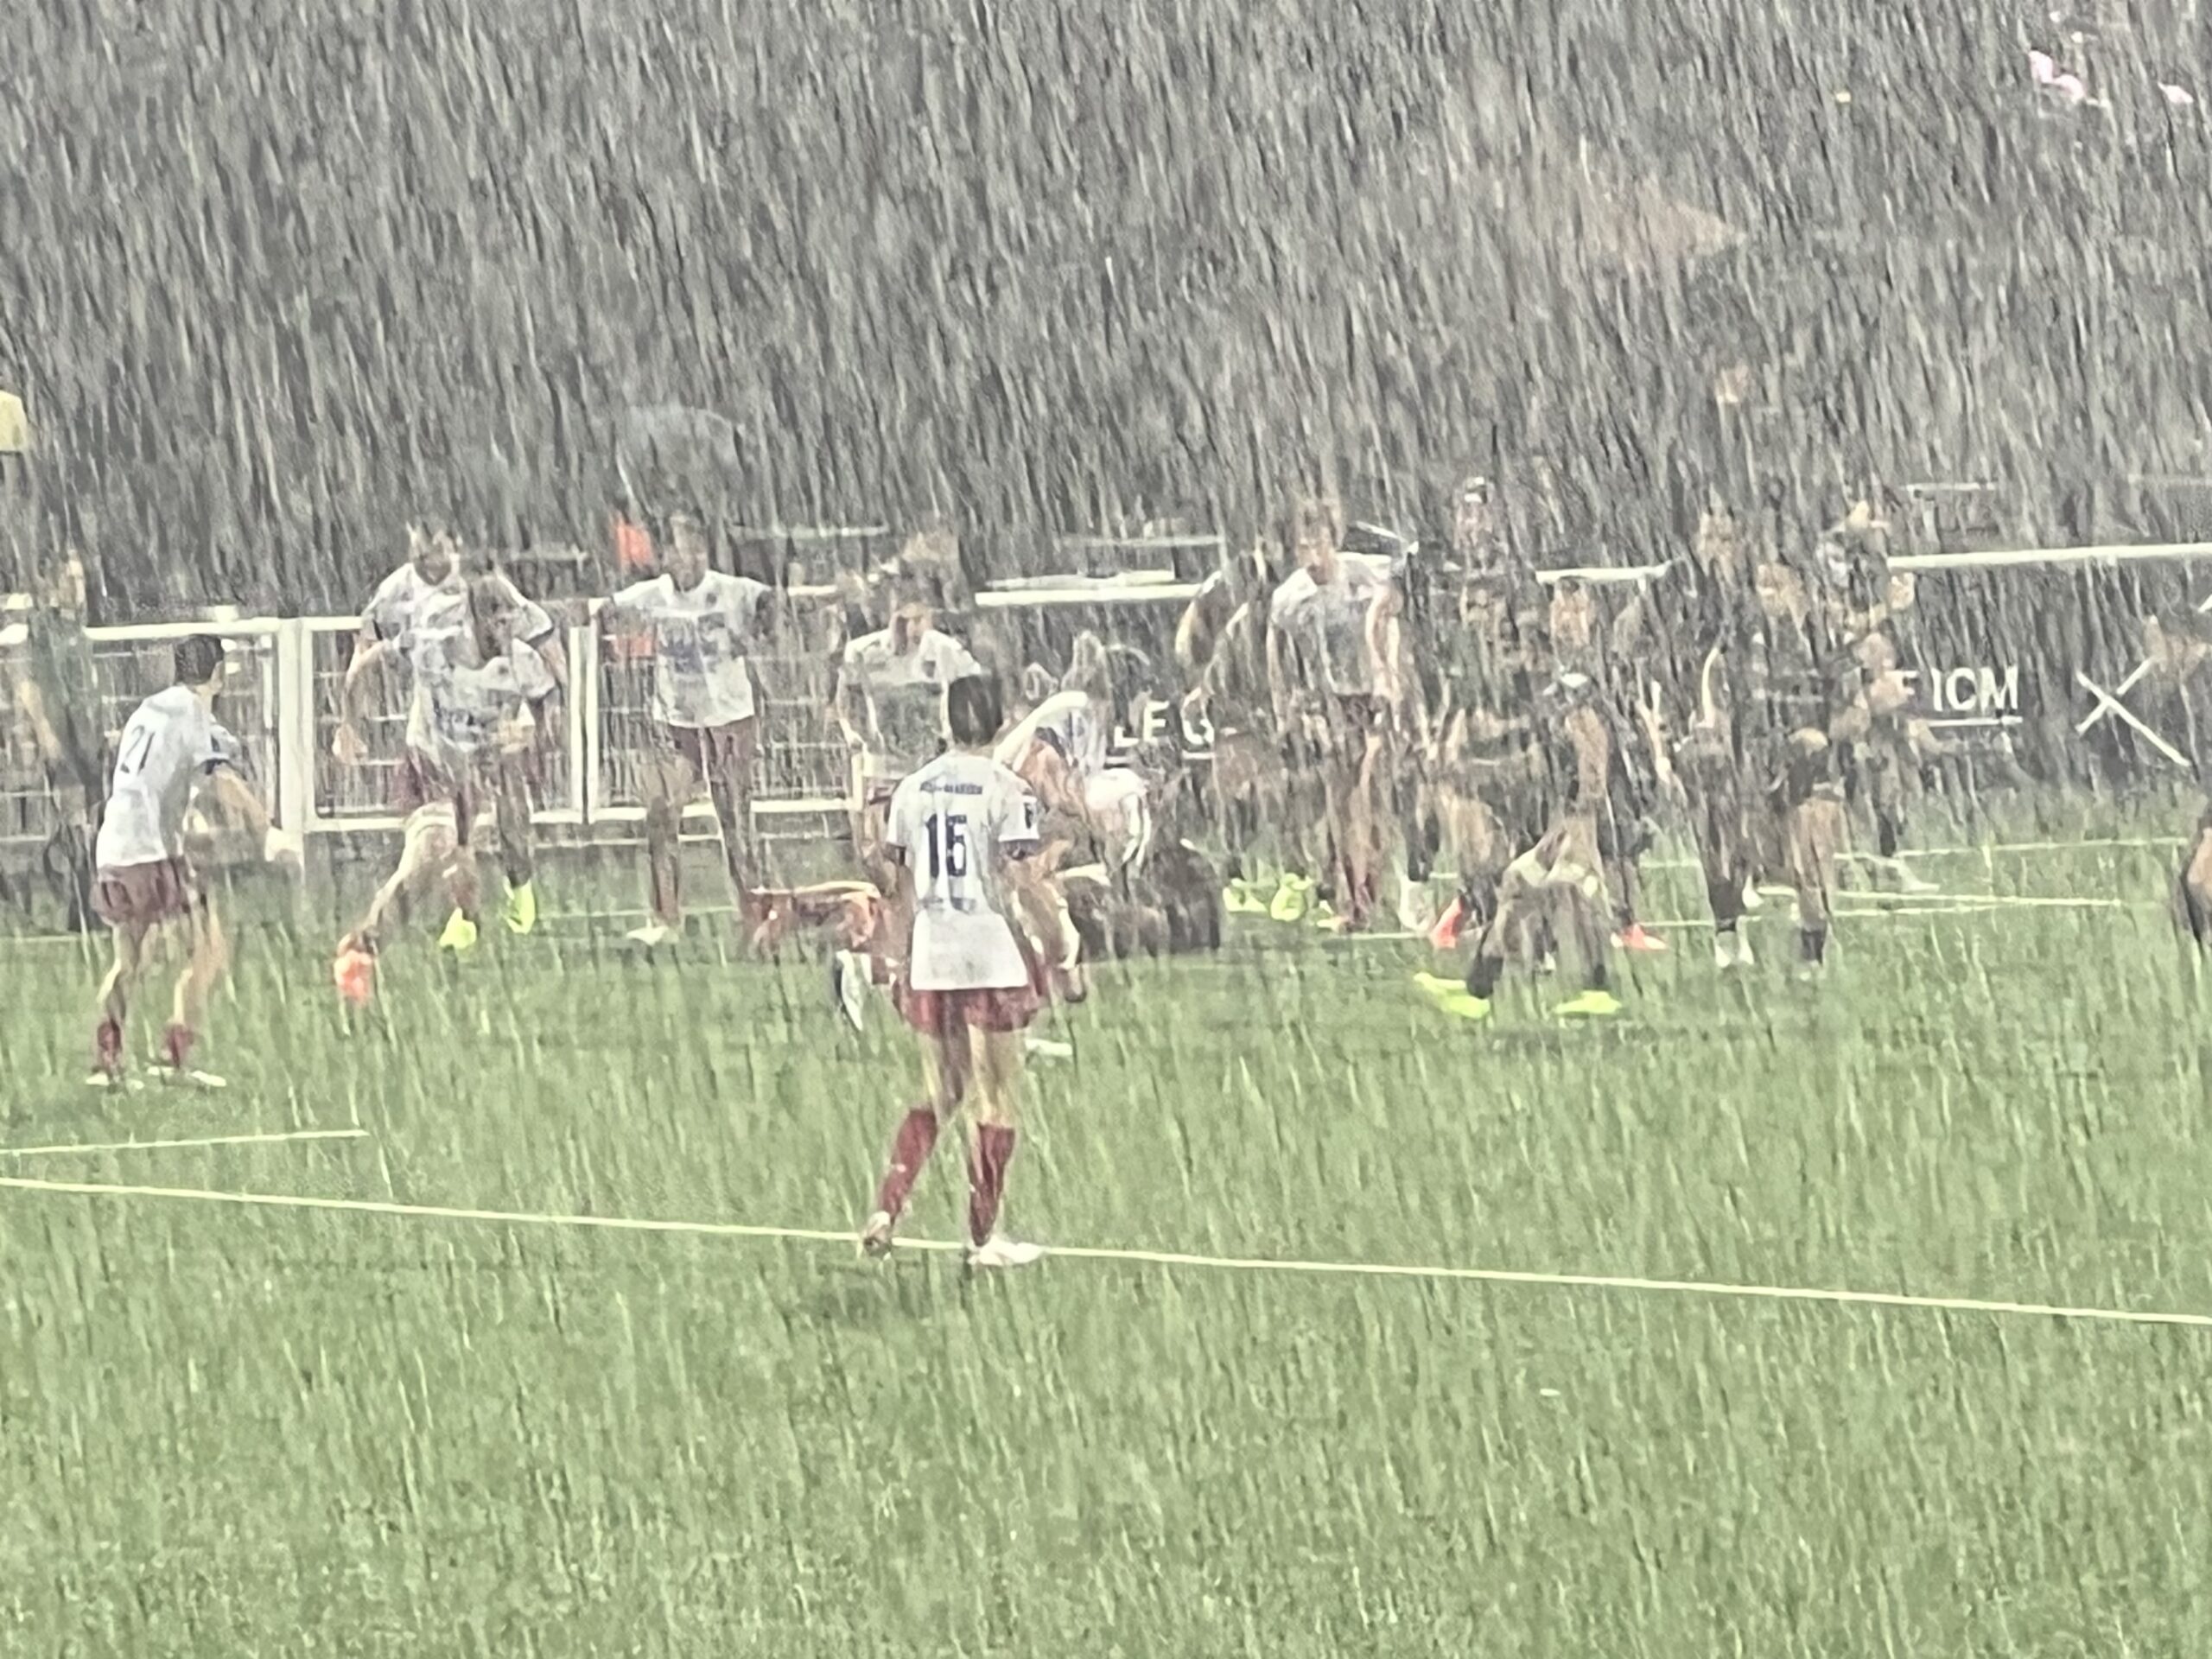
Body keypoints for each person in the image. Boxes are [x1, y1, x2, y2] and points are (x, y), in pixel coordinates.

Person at [860, 673, 1065, 1270]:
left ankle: (887, 1207)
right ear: (1000, 723)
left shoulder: (913, 789)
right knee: (996, 1097)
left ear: (946, 724)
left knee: (940, 1090)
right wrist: (1059, 944)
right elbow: (1024, 880)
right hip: (988, 947)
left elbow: (894, 885)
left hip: (932, 950)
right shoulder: (1006, 789)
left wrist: (895, 957)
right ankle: (983, 1237)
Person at [334, 525, 563, 944]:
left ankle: (519, 884)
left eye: (436, 551)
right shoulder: (426, 633)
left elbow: (549, 664)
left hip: (490, 744)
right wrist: (349, 722)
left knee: (510, 819)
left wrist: (538, 731)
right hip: (436, 753)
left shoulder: (508, 625)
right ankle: (376, 942)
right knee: (437, 850)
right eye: (421, 555)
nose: (429, 562)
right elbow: (366, 658)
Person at [89, 635, 278, 1090]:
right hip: (152, 852)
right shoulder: (195, 713)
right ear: (217, 675)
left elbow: (157, 775)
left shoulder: (149, 708)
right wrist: (265, 826)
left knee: (130, 962)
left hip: (116, 844)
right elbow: (220, 777)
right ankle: (173, 1060)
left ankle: (107, 1064)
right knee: (210, 951)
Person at [601, 511, 773, 947]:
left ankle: (754, 915)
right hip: (676, 724)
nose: (682, 557)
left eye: (689, 547)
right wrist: (618, 623)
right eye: (674, 548)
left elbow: (772, 605)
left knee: (734, 819)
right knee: (660, 813)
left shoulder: (730, 591)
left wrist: (752, 635)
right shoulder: (654, 594)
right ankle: (666, 919)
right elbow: (609, 611)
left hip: (728, 721)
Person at [829, 588, 983, 1020]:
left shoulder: (946, 653)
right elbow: (845, 704)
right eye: (902, 620)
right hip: (884, 771)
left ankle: (904, 969)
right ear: (888, 615)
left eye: (919, 620)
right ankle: (889, 967)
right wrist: (857, 738)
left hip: (932, 775)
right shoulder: (863, 653)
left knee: (935, 875)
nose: (911, 631)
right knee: (888, 869)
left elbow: (976, 696)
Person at [1266, 493, 1396, 930]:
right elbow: (1277, 648)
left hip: (1369, 696)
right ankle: (1352, 899)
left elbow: (1393, 608)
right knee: (1339, 802)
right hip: (1331, 703)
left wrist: (1387, 672)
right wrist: (1285, 705)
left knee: (1370, 794)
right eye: (1303, 545)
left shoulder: (1363, 576)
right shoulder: (1291, 597)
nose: (1312, 554)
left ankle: (1377, 887)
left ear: (1333, 539)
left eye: (1318, 541)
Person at [10, 551, 102, 930]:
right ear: (54, 583)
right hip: (63, 737)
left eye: (80, 579)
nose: (76, 588)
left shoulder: (80, 627)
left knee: (94, 820)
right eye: (69, 579)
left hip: (87, 737)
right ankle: (78, 905)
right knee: (75, 818)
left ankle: (89, 903)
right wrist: (44, 730)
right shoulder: (43, 628)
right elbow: (28, 681)